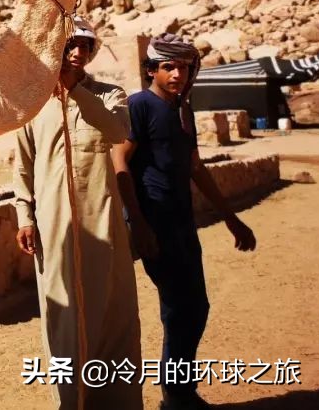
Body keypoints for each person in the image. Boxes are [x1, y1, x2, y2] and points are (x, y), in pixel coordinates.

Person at [113, 34, 257, 410]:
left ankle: (179, 390)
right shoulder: (139, 105)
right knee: (180, 307)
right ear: (152, 71)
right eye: (169, 67)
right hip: (156, 221)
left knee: (196, 307)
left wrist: (232, 219)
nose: (177, 74)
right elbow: (120, 162)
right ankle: (176, 395)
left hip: (181, 221)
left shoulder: (182, 109)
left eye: (184, 67)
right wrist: (139, 224)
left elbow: (195, 167)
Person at [13, 17, 143, 409]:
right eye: (71, 44)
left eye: (85, 46)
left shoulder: (109, 95)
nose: (78, 52)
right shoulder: (32, 105)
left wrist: (76, 94)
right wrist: (24, 215)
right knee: (62, 314)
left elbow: (117, 131)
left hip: (103, 224)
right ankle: (70, 401)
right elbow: (21, 164)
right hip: (54, 229)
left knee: (112, 311)